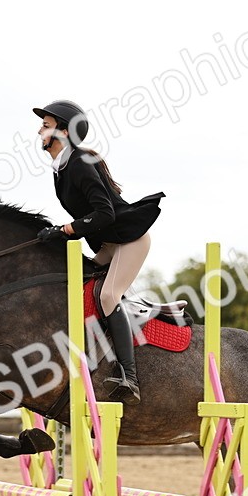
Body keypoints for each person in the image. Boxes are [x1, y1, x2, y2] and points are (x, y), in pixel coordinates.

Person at [33, 99, 165, 404]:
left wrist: (64, 230)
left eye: (46, 125)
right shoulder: (62, 167)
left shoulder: (79, 163)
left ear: (63, 132)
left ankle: (129, 376)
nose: (40, 130)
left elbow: (104, 213)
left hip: (129, 240)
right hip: (110, 243)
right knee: (83, 283)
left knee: (108, 296)